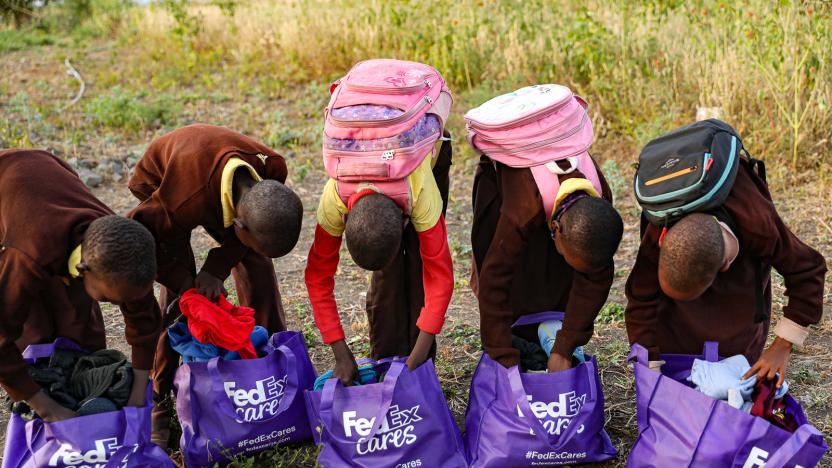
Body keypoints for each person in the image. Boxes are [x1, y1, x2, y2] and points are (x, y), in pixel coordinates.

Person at [127, 124, 303, 446]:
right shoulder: (181, 201)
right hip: (163, 182)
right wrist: (187, 282)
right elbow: (139, 238)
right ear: (238, 224)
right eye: (243, 235)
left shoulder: (272, 167)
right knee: (181, 297)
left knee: (257, 264)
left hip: (217, 184)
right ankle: (159, 396)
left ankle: (267, 363)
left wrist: (218, 266)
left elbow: (250, 236)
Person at [625, 158, 827, 386]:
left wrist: (782, 345)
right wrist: (649, 365)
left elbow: (809, 270)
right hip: (680, 238)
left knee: (736, 355)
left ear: (724, 267)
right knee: (678, 349)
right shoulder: (659, 225)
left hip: (741, 286)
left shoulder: (759, 225)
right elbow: (640, 298)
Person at [0, 149, 161, 422]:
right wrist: (47, 407)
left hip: (48, 173)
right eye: (110, 300)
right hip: (9, 194)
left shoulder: (120, 244)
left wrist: (137, 393)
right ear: (84, 269)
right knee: (31, 330)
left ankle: (77, 381)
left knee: (79, 323)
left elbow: (144, 318)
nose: (118, 304)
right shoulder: (27, 254)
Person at [305, 138, 454, 385]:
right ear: (345, 219)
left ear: (405, 222)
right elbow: (317, 278)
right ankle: (388, 358)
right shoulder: (334, 199)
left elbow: (440, 279)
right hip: (374, 160)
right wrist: (340, 353)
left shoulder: (422, 194)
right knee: (388, 281)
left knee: (420, 267)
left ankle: (421, 365)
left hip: (426, 151)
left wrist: (415, 361)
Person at [471, 156, 623, 371]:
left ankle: (548, 332)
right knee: (516, 268)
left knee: (559, 273)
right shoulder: (522, 211)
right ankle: (518, 335)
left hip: (547, 203)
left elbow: (596, 279)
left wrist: (565, 346)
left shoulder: (598, 203)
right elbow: (494, 279)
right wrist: (504, 358)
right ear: (556, 228)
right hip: (505, 187)